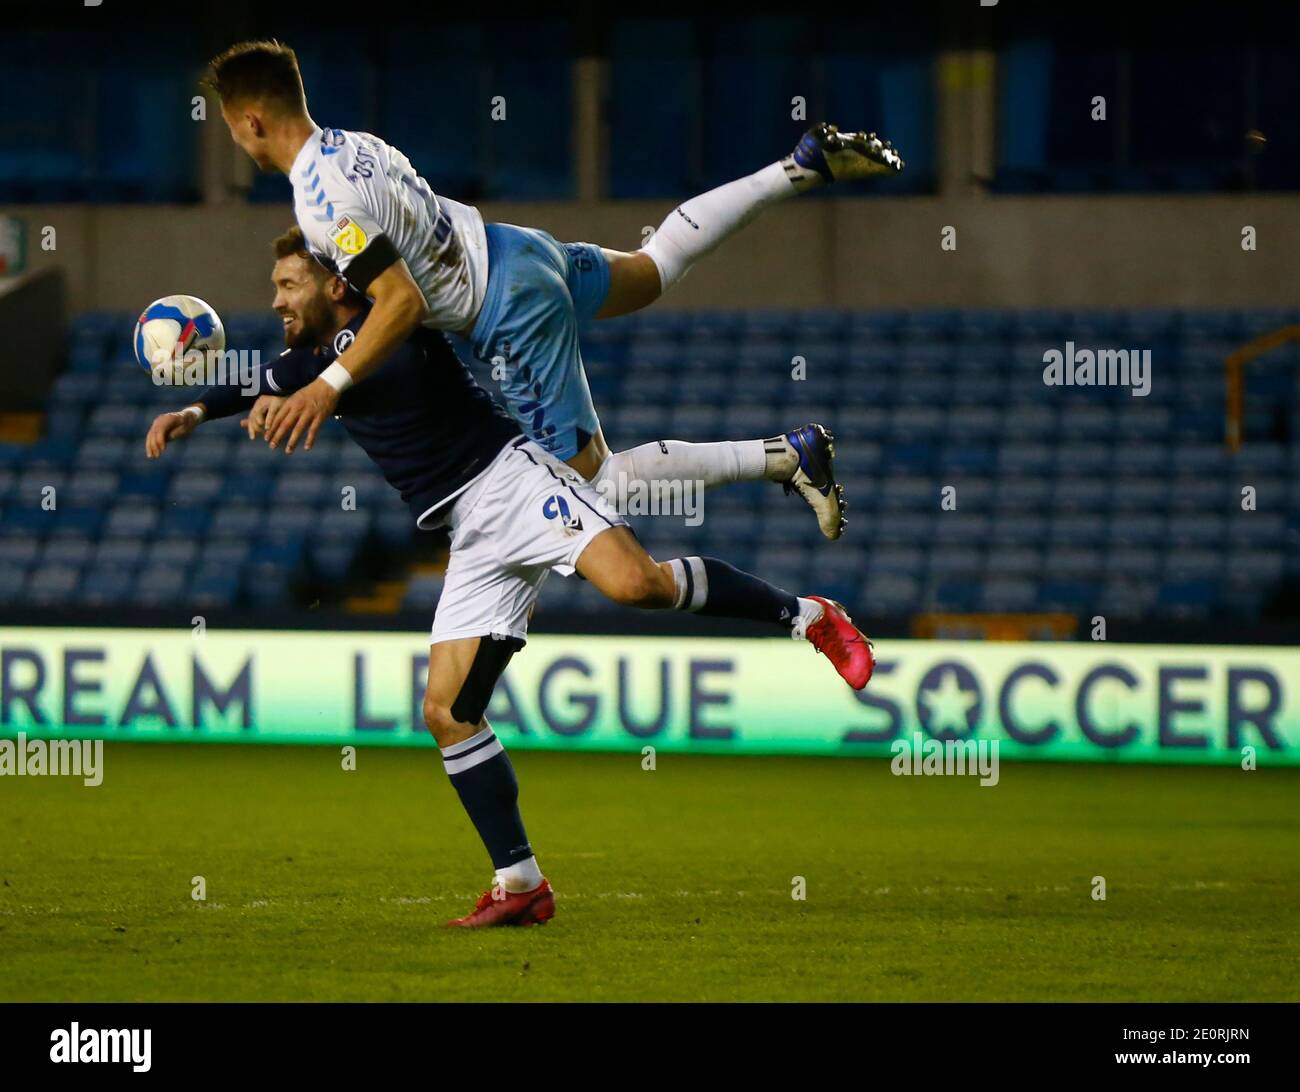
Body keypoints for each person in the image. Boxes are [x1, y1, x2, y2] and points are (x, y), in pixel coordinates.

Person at [145, 228, 876, 927]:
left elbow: (366, 341)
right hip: (470, 531)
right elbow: (250, 386)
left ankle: (810, 616)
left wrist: (321, 384)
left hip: (512, 479)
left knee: (637, 586)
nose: (274, 300)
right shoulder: (303, 359)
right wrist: (193, 409)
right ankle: (520, 885)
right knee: (446, 712)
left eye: (286, 283)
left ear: (335, 283)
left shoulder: (396, 316)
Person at [204, 39, 905, 540]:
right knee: (654, 267)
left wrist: (324, 387)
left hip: (507, 311)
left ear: (250, 121)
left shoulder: (318, 204)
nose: (240, 144)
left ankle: (786, 456)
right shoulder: (357, 145)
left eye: (235, 132)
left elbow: (403, 303)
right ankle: (796, 166)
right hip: (516, 248)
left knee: (593, 486)